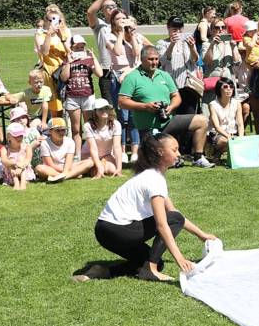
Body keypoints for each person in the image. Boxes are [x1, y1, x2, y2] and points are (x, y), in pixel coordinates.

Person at [80, 131, 220, 283]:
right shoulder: (154, 179)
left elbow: (172, 213)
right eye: (174, 150)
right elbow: (163, 224)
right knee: (171, 224)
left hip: (104, 231)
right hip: (116, 230)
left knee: (155, 261)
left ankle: (103, 271)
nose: (178, 154)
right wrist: (180, 259)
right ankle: (150, 269)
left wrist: (201, 235)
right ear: (160, 152)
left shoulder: (151, 175)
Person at [117, 46, 213, 167]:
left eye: (156, 59)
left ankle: (198, 157)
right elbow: (122, 101)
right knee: (162, 161)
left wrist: (171, 107)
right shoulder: (132, 77)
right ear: (142, 59)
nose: (155, 62)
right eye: (151, 59)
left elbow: (176, 96)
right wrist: (145, 106)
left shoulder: (164, 75)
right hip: (147, 127)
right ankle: (167, 155)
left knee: (202, 120)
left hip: (168, 120)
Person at [204, 78, 246, 165]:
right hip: (218, 134)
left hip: (233, 133)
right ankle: (214, 150)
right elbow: (217, 127)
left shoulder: (237, 103)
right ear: (219, 89)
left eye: (231, 87)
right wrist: (229, 137)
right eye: (225, 87)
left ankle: (219, 154)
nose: (229, 89)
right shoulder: (213, 105)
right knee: (227, 141)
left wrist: (241, 138)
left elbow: (240, 124)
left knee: (244, 141)